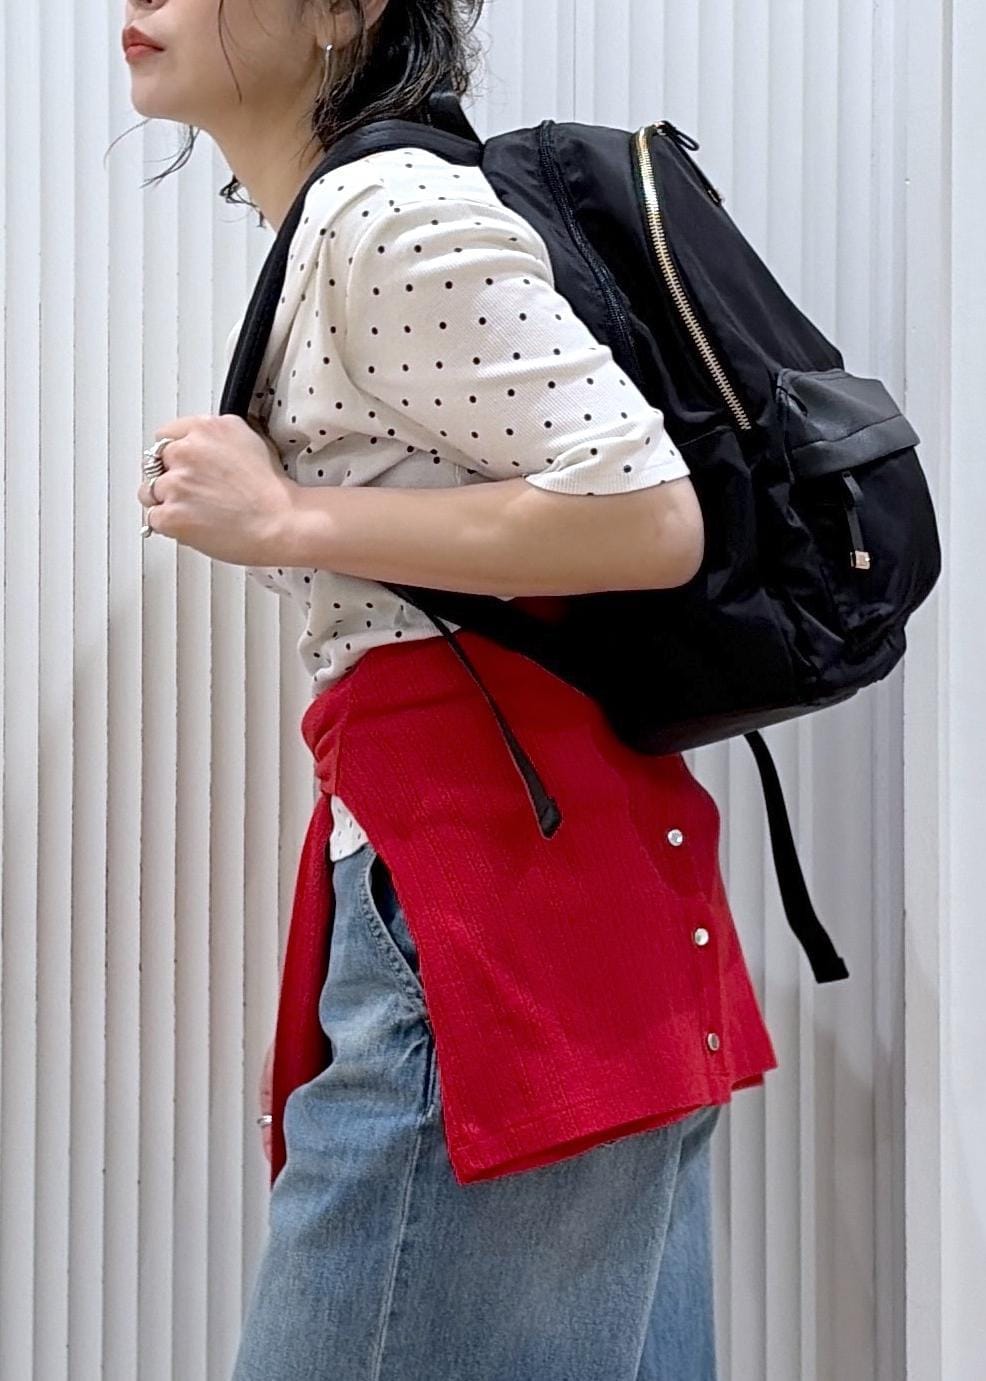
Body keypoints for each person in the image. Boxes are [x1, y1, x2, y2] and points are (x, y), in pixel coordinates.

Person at [126, 2, 778, 1377]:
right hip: (531, 886)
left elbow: (647, 514)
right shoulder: (347, 220)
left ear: (341, 9)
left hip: (492, 913)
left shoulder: (387, 215)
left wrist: (286, 517)